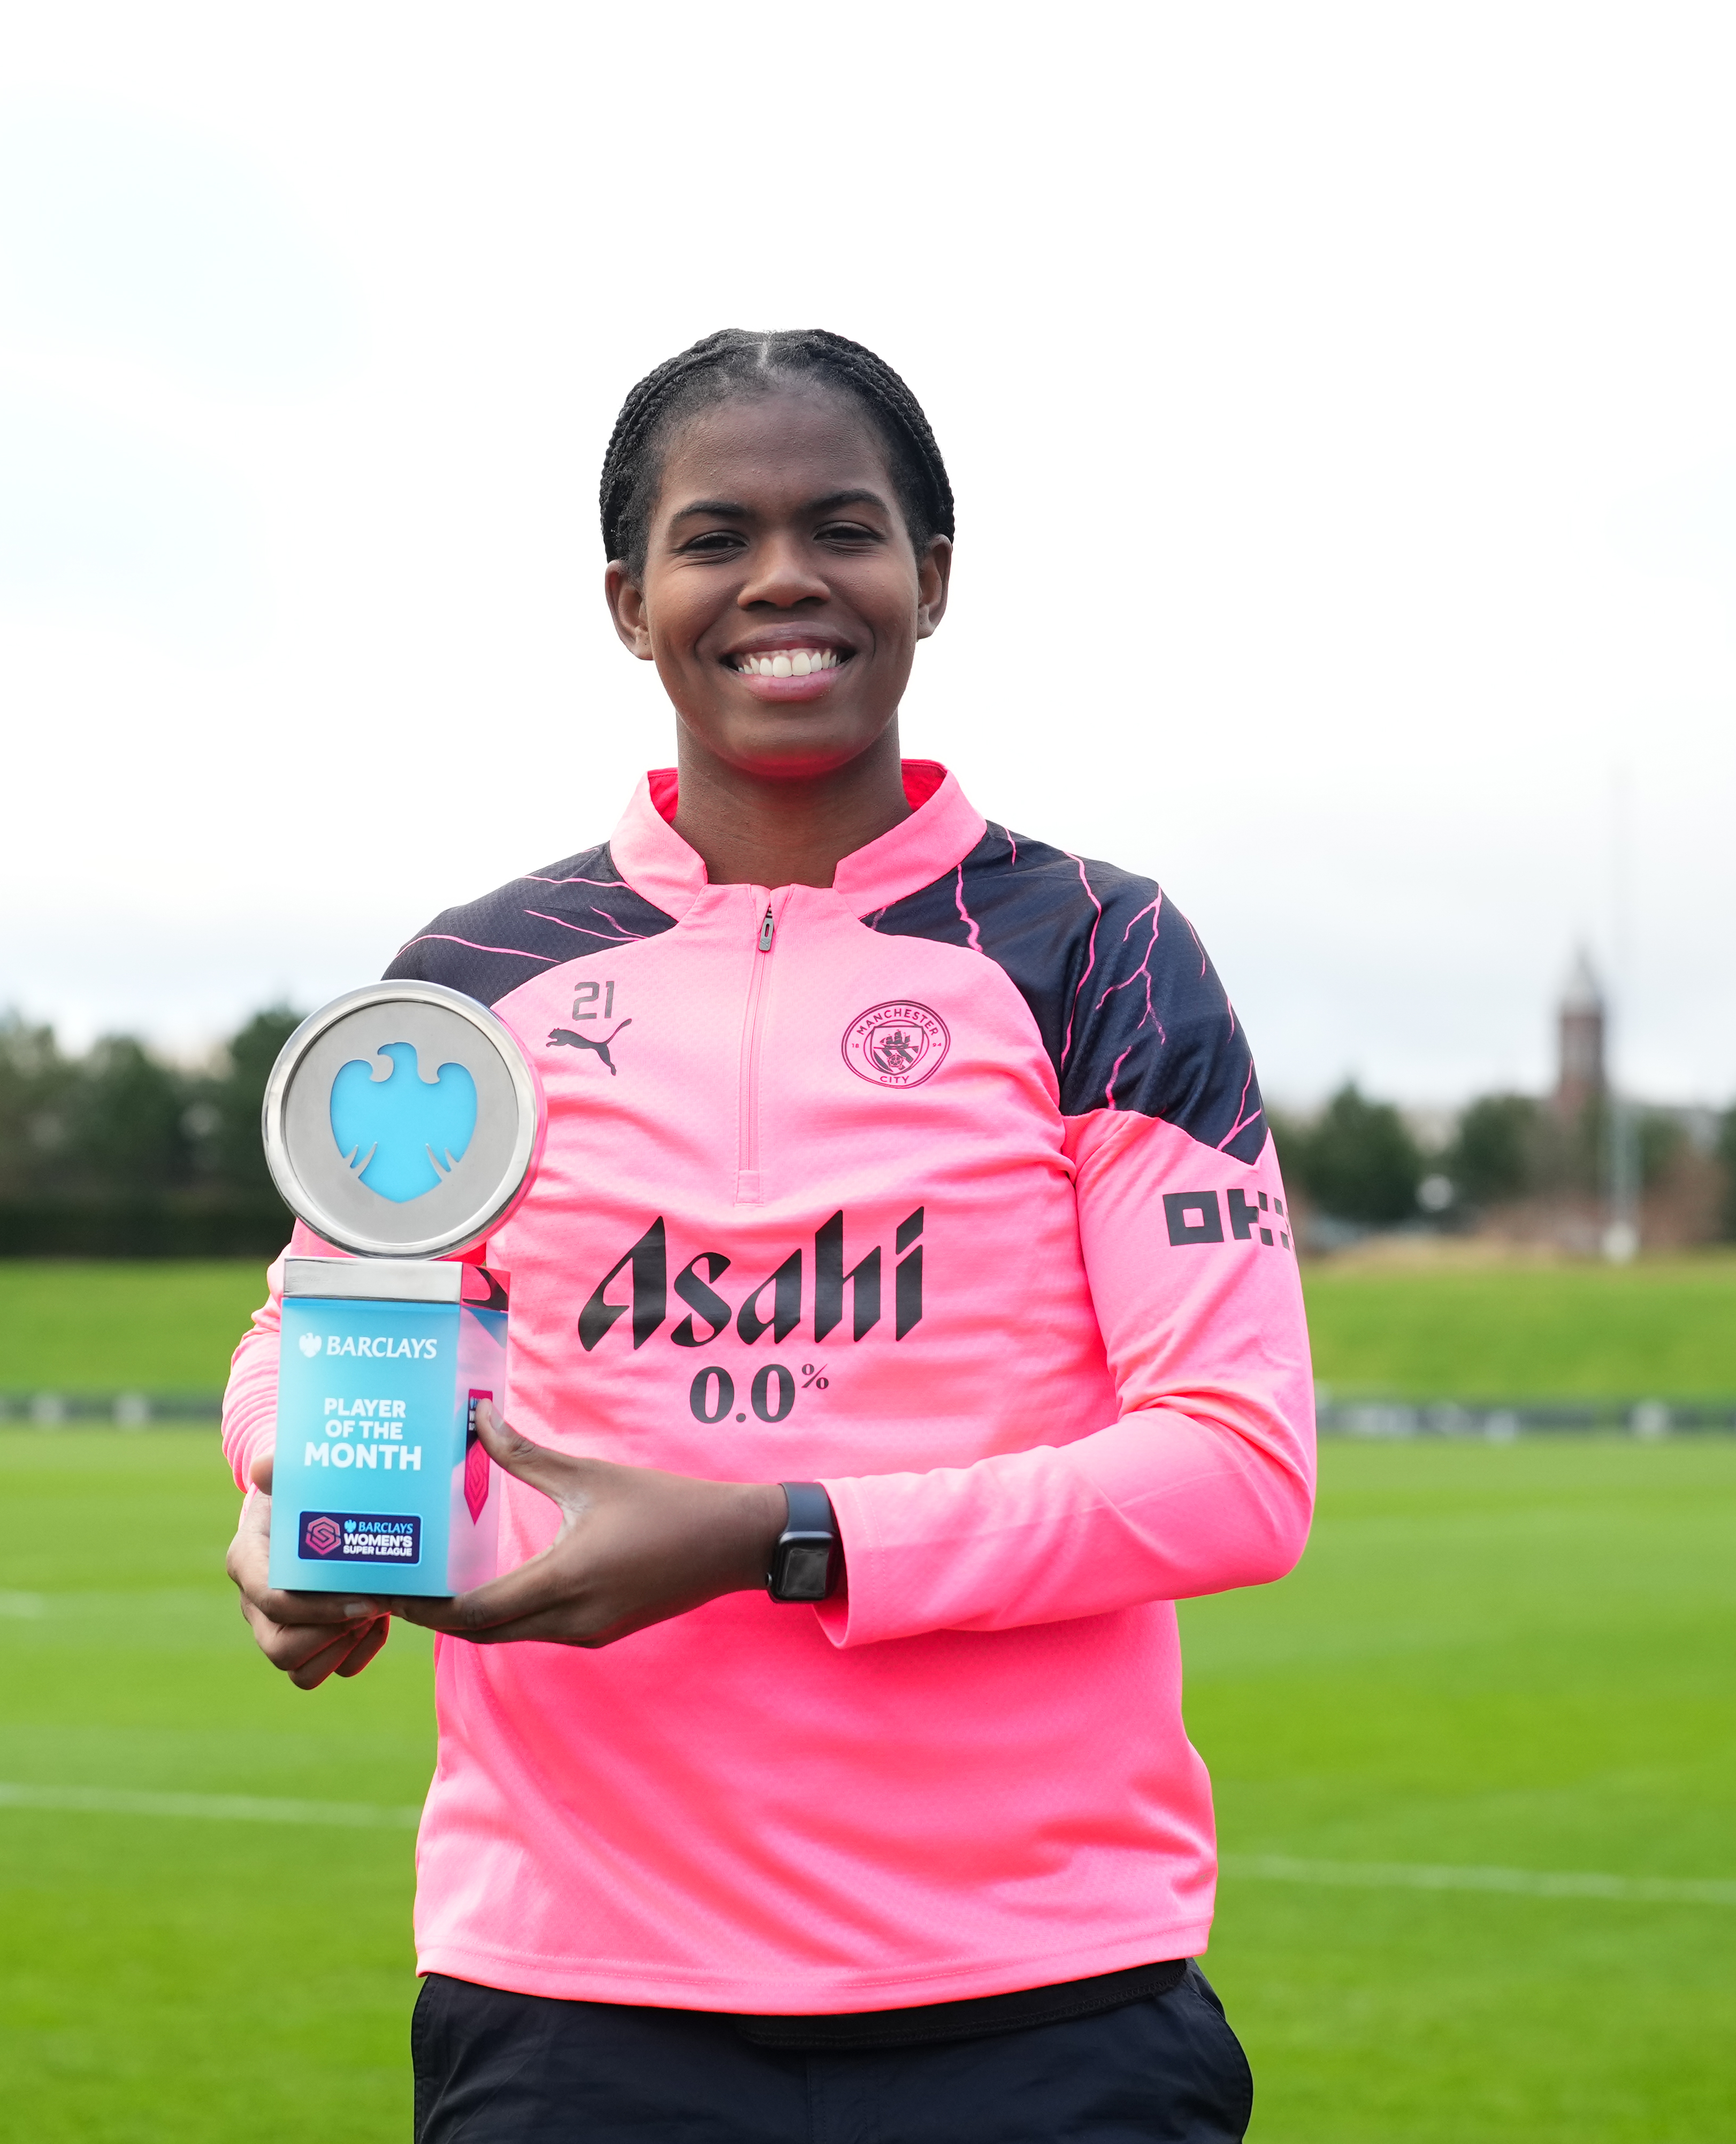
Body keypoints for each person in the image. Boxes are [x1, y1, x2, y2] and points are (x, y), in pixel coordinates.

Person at [223, 328, 1316, 2143]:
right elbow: (323, 1329)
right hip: (572, 1997)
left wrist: (775, 1539)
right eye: (716, 536)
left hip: (1039, 1995)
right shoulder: (476, 981)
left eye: (845, 527)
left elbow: (1234, 1470)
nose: (784, 580)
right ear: (628, 601)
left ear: (931, 581)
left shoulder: (1098, 952)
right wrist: (312, 1516)